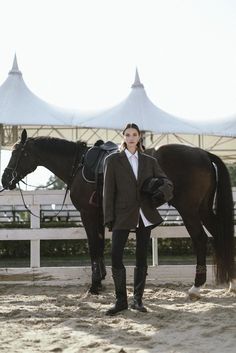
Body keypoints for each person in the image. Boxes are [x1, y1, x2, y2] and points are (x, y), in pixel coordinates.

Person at [103, 123, 174, 315]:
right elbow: (108, 192)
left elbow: (167, 182)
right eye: (128, 134)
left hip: (144, 213)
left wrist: (160, 193)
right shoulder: (112, 160)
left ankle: (138, 300)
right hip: (122, 213)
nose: (131, 137)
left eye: (135, 134)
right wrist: (108, 217)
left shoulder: (149, 161)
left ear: (139, 137)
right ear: (123, 137)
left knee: (141, 255)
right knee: (115, 255)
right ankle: (120, 301)